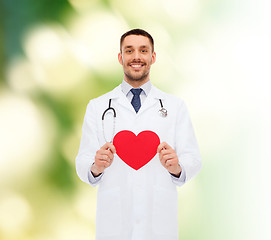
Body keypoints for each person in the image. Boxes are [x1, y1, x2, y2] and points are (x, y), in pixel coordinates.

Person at [75, 29, 202, 240]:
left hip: (159, 225)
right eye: (129, 50)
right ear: (120, 57)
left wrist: (177, 167)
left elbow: (194, 159)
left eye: (143, 51)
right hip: (114, 225)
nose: (136, 57)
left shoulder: (175, 106)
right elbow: (82, 161)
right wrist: (96, 166)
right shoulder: (97, 107)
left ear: (153, 57)